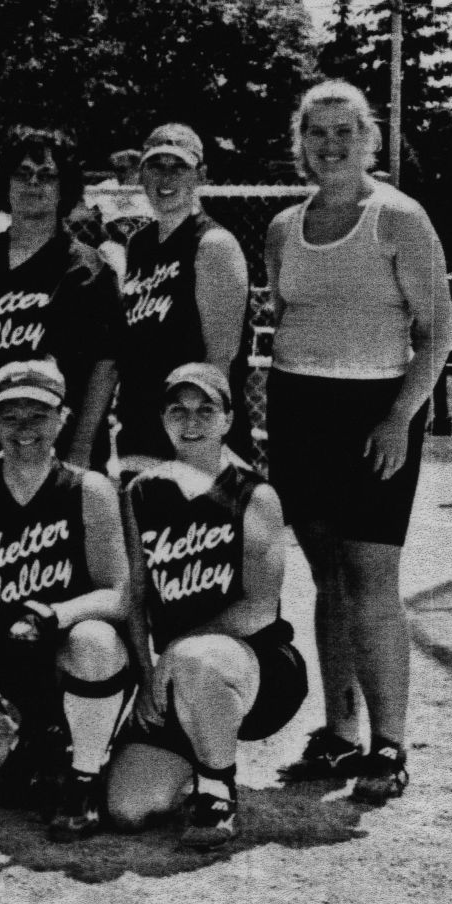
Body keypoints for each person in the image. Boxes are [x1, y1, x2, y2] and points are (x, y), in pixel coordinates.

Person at [264, 80, 452, 804]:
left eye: (345, 131)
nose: (331, 145)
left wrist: (399, 417)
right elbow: (287, 316)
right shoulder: (285, 226)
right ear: (301, 143)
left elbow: (437, 334)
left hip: (374, 413)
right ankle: (339, 732)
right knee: (326, 577)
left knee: (371, 579)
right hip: (298, 408)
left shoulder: (399, 217)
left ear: (369, 139)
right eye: (318, 132)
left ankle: (389, 742)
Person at [105, 363, 306, 849]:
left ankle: (217, 787)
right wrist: (146, 674)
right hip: (179, 673)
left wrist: (175, 651)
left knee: (199, 658)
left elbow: (259, 608)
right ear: (163, 419)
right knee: (128, 809)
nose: (191, 421)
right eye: (178, 409)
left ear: (228, 419)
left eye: (205, 409)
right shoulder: (141, 491)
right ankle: (198, 756)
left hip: (258, 668)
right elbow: (135, 596)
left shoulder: (254, 493)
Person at [0, 359, 130, 840]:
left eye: (39, 415)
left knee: (96, 640)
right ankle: (38, 750)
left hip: (70, 659)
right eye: (10, 416)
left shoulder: (89, 489)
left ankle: (83, 775)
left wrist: (56, 613)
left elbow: (120, 595)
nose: (25, 429)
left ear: (63, 418)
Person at [0, 127, 124, 479]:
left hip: (57, 448)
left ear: (64, 187)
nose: (34, 183)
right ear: (5, 182)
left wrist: (80, 450)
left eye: (47, 175)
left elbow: (106, 367)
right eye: (22, 173)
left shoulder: (88, 270)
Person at [115, 124, 253, 477]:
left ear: (200, 175)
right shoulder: (139, 244)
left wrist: (200, 443)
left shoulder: (212, 244)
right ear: (141, 174)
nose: (166, 177)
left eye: (179, 166)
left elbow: (219, 359)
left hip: (193, 434)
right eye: (156, 165)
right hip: (142, 428)